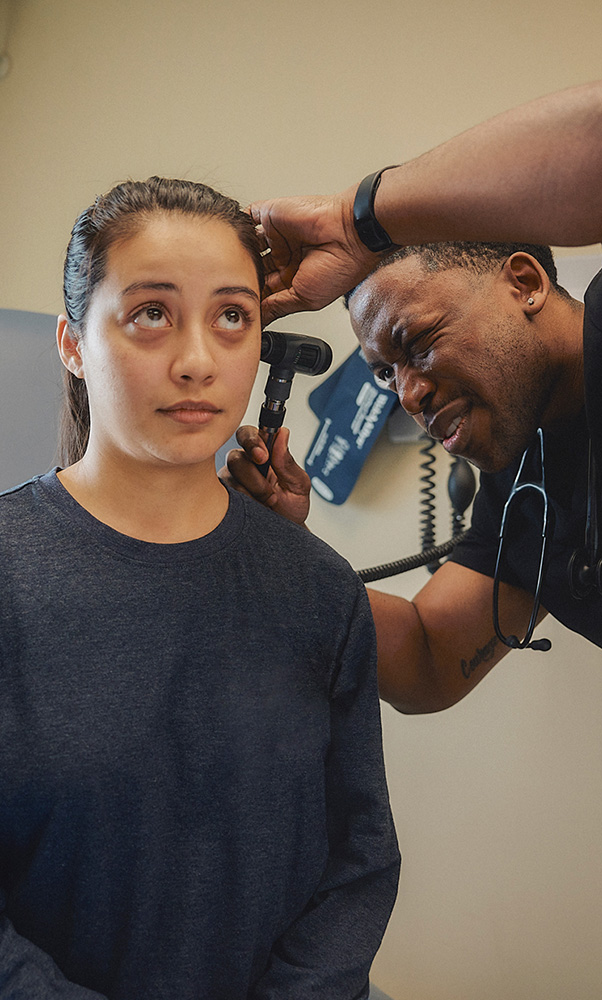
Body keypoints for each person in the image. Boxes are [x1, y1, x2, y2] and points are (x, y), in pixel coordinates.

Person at [224, 66, 602, 997]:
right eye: (382, 376)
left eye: (414, 343)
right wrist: (285, 550)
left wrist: (355, 220)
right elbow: (422, 660)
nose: (405, 392)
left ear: (525, 281)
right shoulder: (520, 482)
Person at [0, 177, 399, 1000]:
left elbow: (359, 857)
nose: (196, 360)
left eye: (231, 317)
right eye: (151, 313)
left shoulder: (318, 590)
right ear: (73, 343)